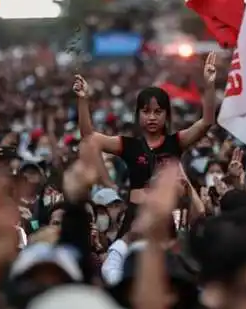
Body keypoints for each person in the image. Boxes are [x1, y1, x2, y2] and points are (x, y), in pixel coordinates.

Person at [73, 53, 218, 203]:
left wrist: (209, 86)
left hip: (165, 217)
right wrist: (83, 100)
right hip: (135, 218)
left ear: (166, 115)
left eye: (158, 112)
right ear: (138, 115)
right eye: (146, 111)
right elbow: (89, 137)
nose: (152, 117)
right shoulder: (129, 145)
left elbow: (207, 122)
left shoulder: (176, 142)